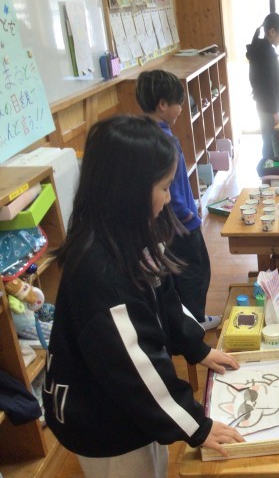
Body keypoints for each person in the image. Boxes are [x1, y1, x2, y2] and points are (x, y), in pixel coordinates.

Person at [42, 115, 245, 477]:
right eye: (164, 187)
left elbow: (165, 297)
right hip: (101, 422)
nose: (168, 198)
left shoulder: (129, 233)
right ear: (129, 190)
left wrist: (196, 348)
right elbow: (137, 367)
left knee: (155, 464)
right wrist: (197, 426)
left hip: (127, 406)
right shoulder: (100, 273)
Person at [136, 70, 219, 330]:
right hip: (180, 220)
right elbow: (169, 188)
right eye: (179, 103)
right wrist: (187, 213)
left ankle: (190, 318)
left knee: (182, 271)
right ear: (162, 104)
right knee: (196, 270)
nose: (182, 109)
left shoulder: (144, 133)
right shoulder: (165, 141)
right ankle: (194, 322)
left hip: (167, 222)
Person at [246, 13, 279, 161]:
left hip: (266, 106)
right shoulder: (265, 52)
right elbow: (267, 86)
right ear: (272, 32)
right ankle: (269, 171)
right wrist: (275, 111)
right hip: (269, 108)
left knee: (269, 141)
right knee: (271, 143)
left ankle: (270, 170)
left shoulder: (263, 49)